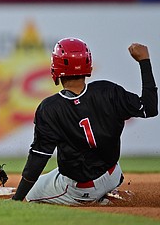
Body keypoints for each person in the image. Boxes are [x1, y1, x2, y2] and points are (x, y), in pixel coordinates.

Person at [12, 38, 158, 205]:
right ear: (88, 64)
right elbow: (150, 108)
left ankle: (96, 200)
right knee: (54, 175)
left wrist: (16, 199)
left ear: (56, 67)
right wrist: (144, 61)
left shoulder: (50, 108)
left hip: (81, 189)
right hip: (113, 173)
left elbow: (37, 160)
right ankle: (106, 191)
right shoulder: (108, 90)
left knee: (30, 195)